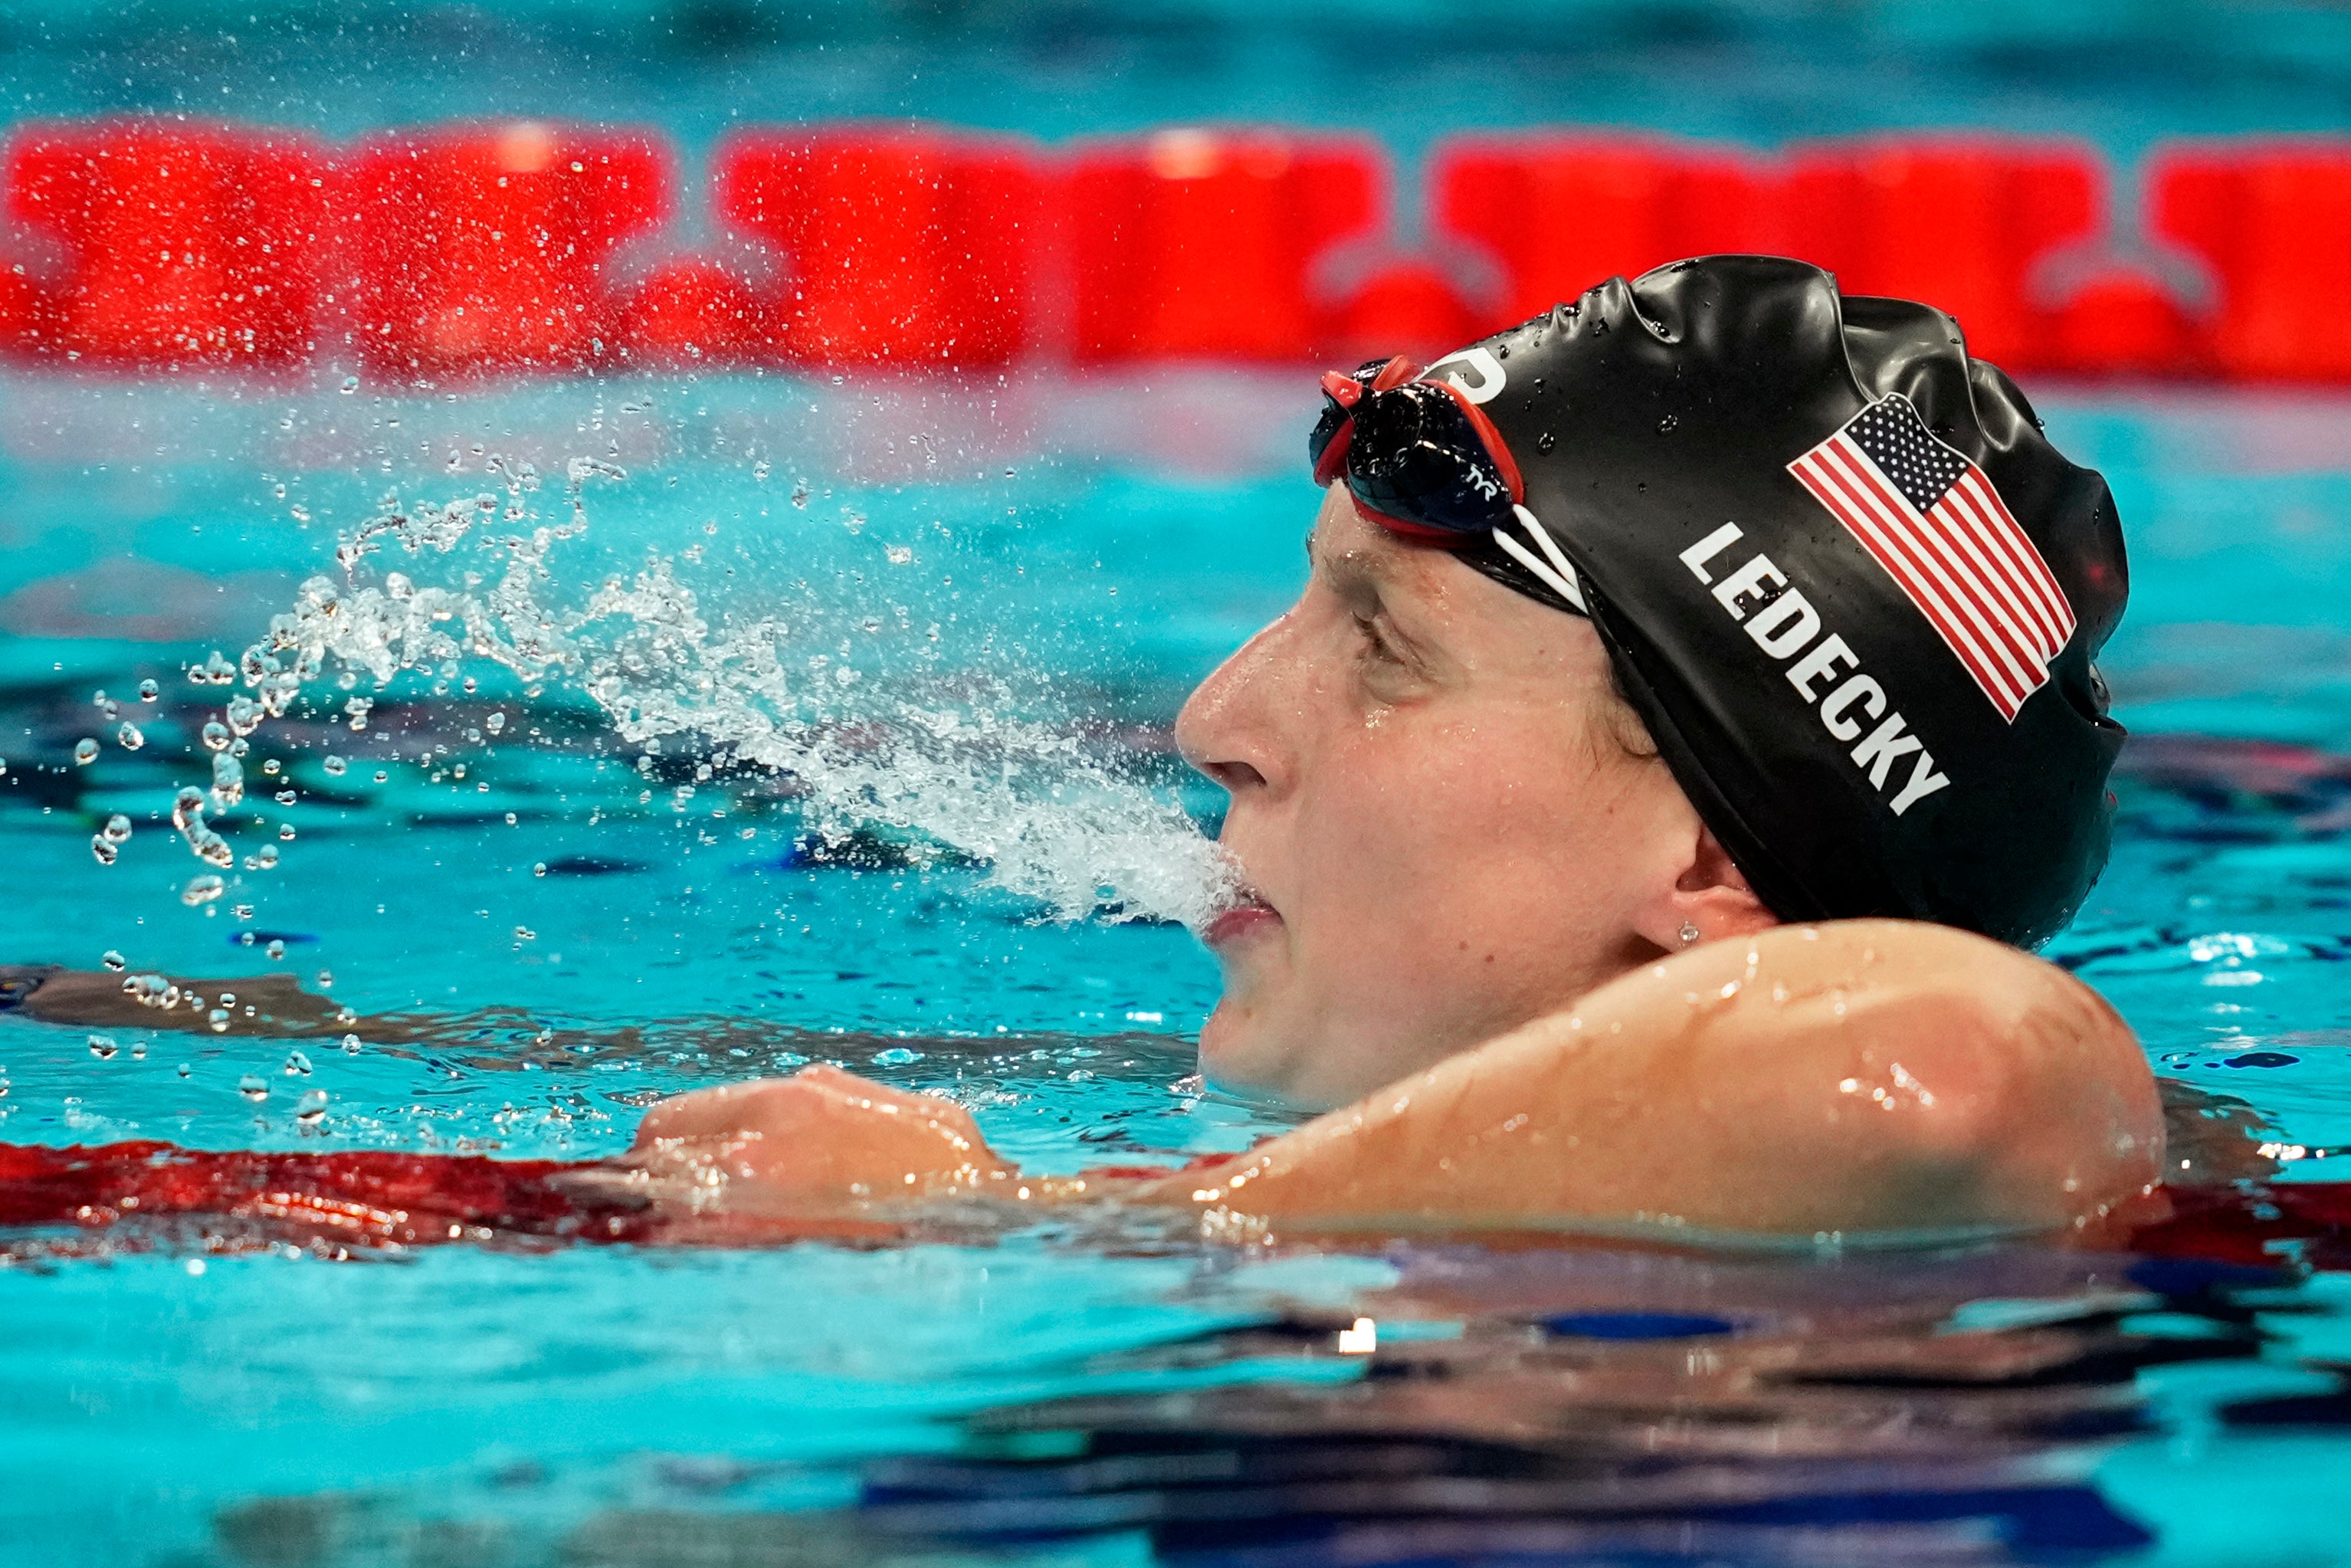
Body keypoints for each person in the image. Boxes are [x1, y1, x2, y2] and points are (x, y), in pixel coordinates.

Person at [616, 257, 2165, 1245]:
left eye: (1382, 648)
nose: (1211, 726)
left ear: (1703, 859)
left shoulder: (1997, 1189)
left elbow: (1955, 1062)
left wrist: (1018, 1217)